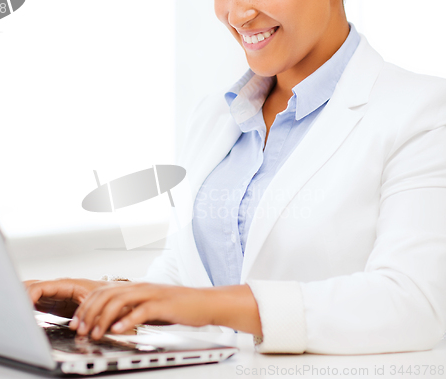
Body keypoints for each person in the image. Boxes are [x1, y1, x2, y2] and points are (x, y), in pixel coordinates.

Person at [26, 0, 446, 355]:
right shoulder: (215, 115)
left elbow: (416, 303)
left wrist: (209, 305)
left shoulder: (423, 112)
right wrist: (106, 299)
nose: (238, 13)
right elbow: (187, 281)